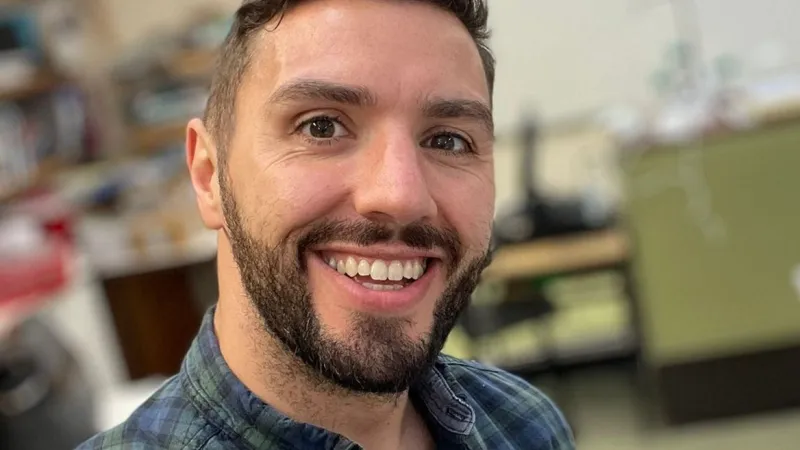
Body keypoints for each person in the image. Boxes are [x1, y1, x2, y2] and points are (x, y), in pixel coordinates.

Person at [78, 0, 575, 449]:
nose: (400, 196)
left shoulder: (524, 424)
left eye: (447, 141)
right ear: (209, 177)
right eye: (321, 126)